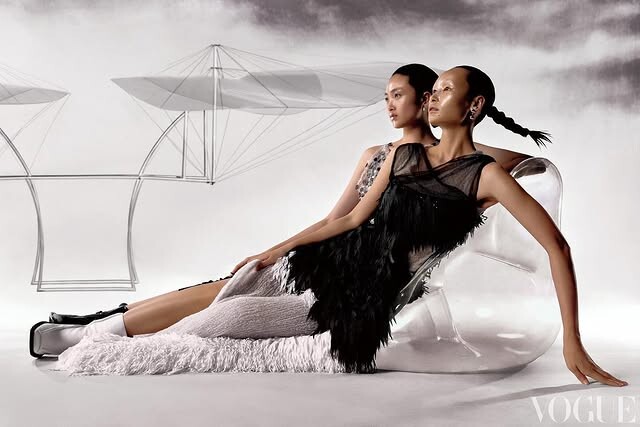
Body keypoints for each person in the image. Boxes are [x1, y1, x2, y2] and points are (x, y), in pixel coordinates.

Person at [34, 65, 625, 386]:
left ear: (470, 107)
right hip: (326, 260)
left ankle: (100, 337)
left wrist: (572, 338)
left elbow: (556, 243)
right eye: (432, 89)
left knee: (223, 317)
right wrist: (277, 248)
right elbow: (349, 219)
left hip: (362, 295)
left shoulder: (488, 175)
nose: (431, 98)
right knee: (234, 283)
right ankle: (94, 332)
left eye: (444, 90)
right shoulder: (399, 156)